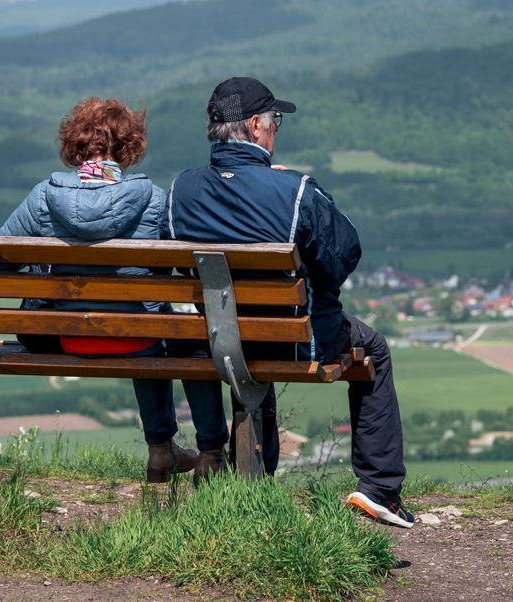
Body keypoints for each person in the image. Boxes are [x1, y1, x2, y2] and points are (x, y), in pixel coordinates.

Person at [164, 77, 414, 527]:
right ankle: (380, 489)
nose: (276, 128)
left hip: (218, 340)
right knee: (372, 347)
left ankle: (261, 483)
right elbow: (345, 254)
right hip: (295, 343)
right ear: (257, 127)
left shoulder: (181, 191)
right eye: (275, 120)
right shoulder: (295, 192)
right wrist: (313, 192)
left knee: (251, 340)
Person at [0, 97, 229, 483]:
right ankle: (209, 453)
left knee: (152, 324)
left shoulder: (43, 197)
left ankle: (163, 451)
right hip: (139, 338)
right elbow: (190, 265)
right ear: (129, 145)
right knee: (177, 334)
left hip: (68, 337)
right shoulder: (153, 198)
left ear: (74, 144)